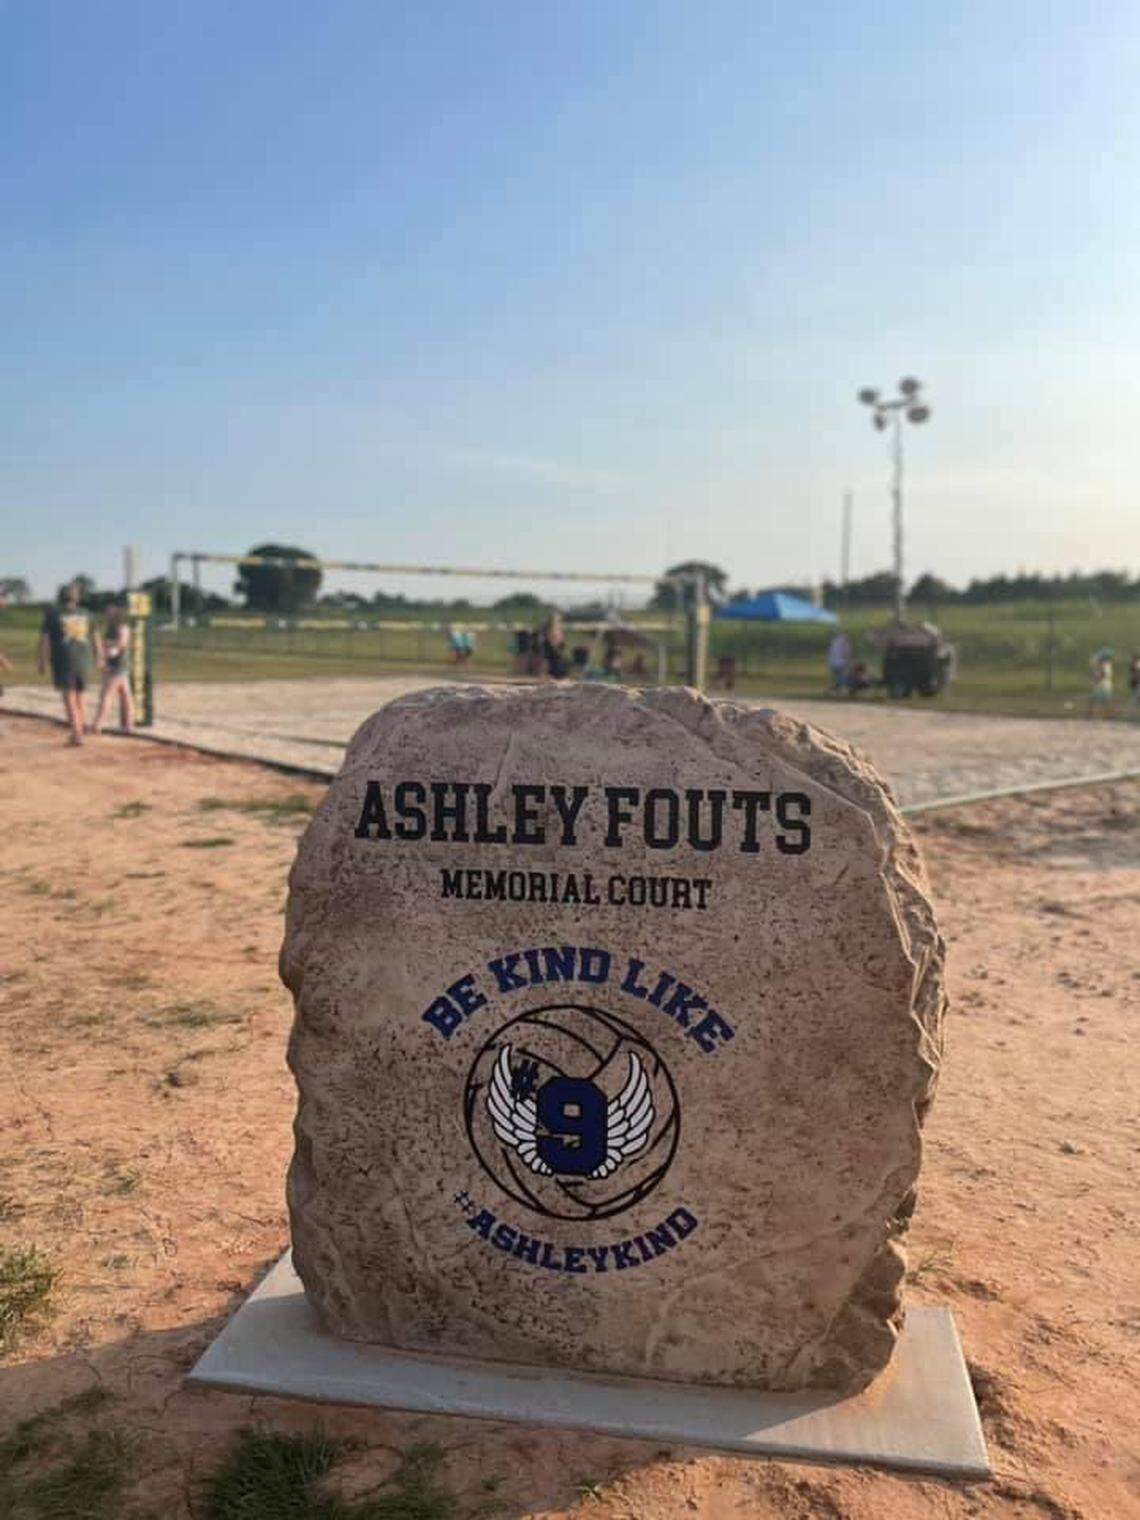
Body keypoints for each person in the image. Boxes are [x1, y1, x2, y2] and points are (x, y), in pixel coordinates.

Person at [38, 583, 101, 745]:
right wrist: (99, 657)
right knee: (80, 696)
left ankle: (77, 734)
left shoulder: (52, 615)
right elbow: (96, 638)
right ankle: (81, 728)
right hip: (84, 660)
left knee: (69, 698)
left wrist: (42, 660)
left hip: (63, 660)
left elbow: (45, 641)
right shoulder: (88, 614)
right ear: (77, 597)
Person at [91, 604, 135, 734]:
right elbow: (103, 646)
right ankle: (129, 725)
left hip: (119, 665)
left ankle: (98, 725)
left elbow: (121, 644)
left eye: (109, 613)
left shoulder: (123, 627)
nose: (106, 615)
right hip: (112, 665)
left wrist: (105, 644)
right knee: (125, 695)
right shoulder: (110, 629)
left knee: (107, 694)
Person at [1088, 647, 1114, 718]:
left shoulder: (1104, 665)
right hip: (1104, 684)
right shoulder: (1105, 664)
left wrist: (1096, 677)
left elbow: (1103, 674)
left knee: (1101, 700)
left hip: (1103, 684)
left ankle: (1093, 715)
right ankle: (1092, 714)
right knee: (1098, 700)